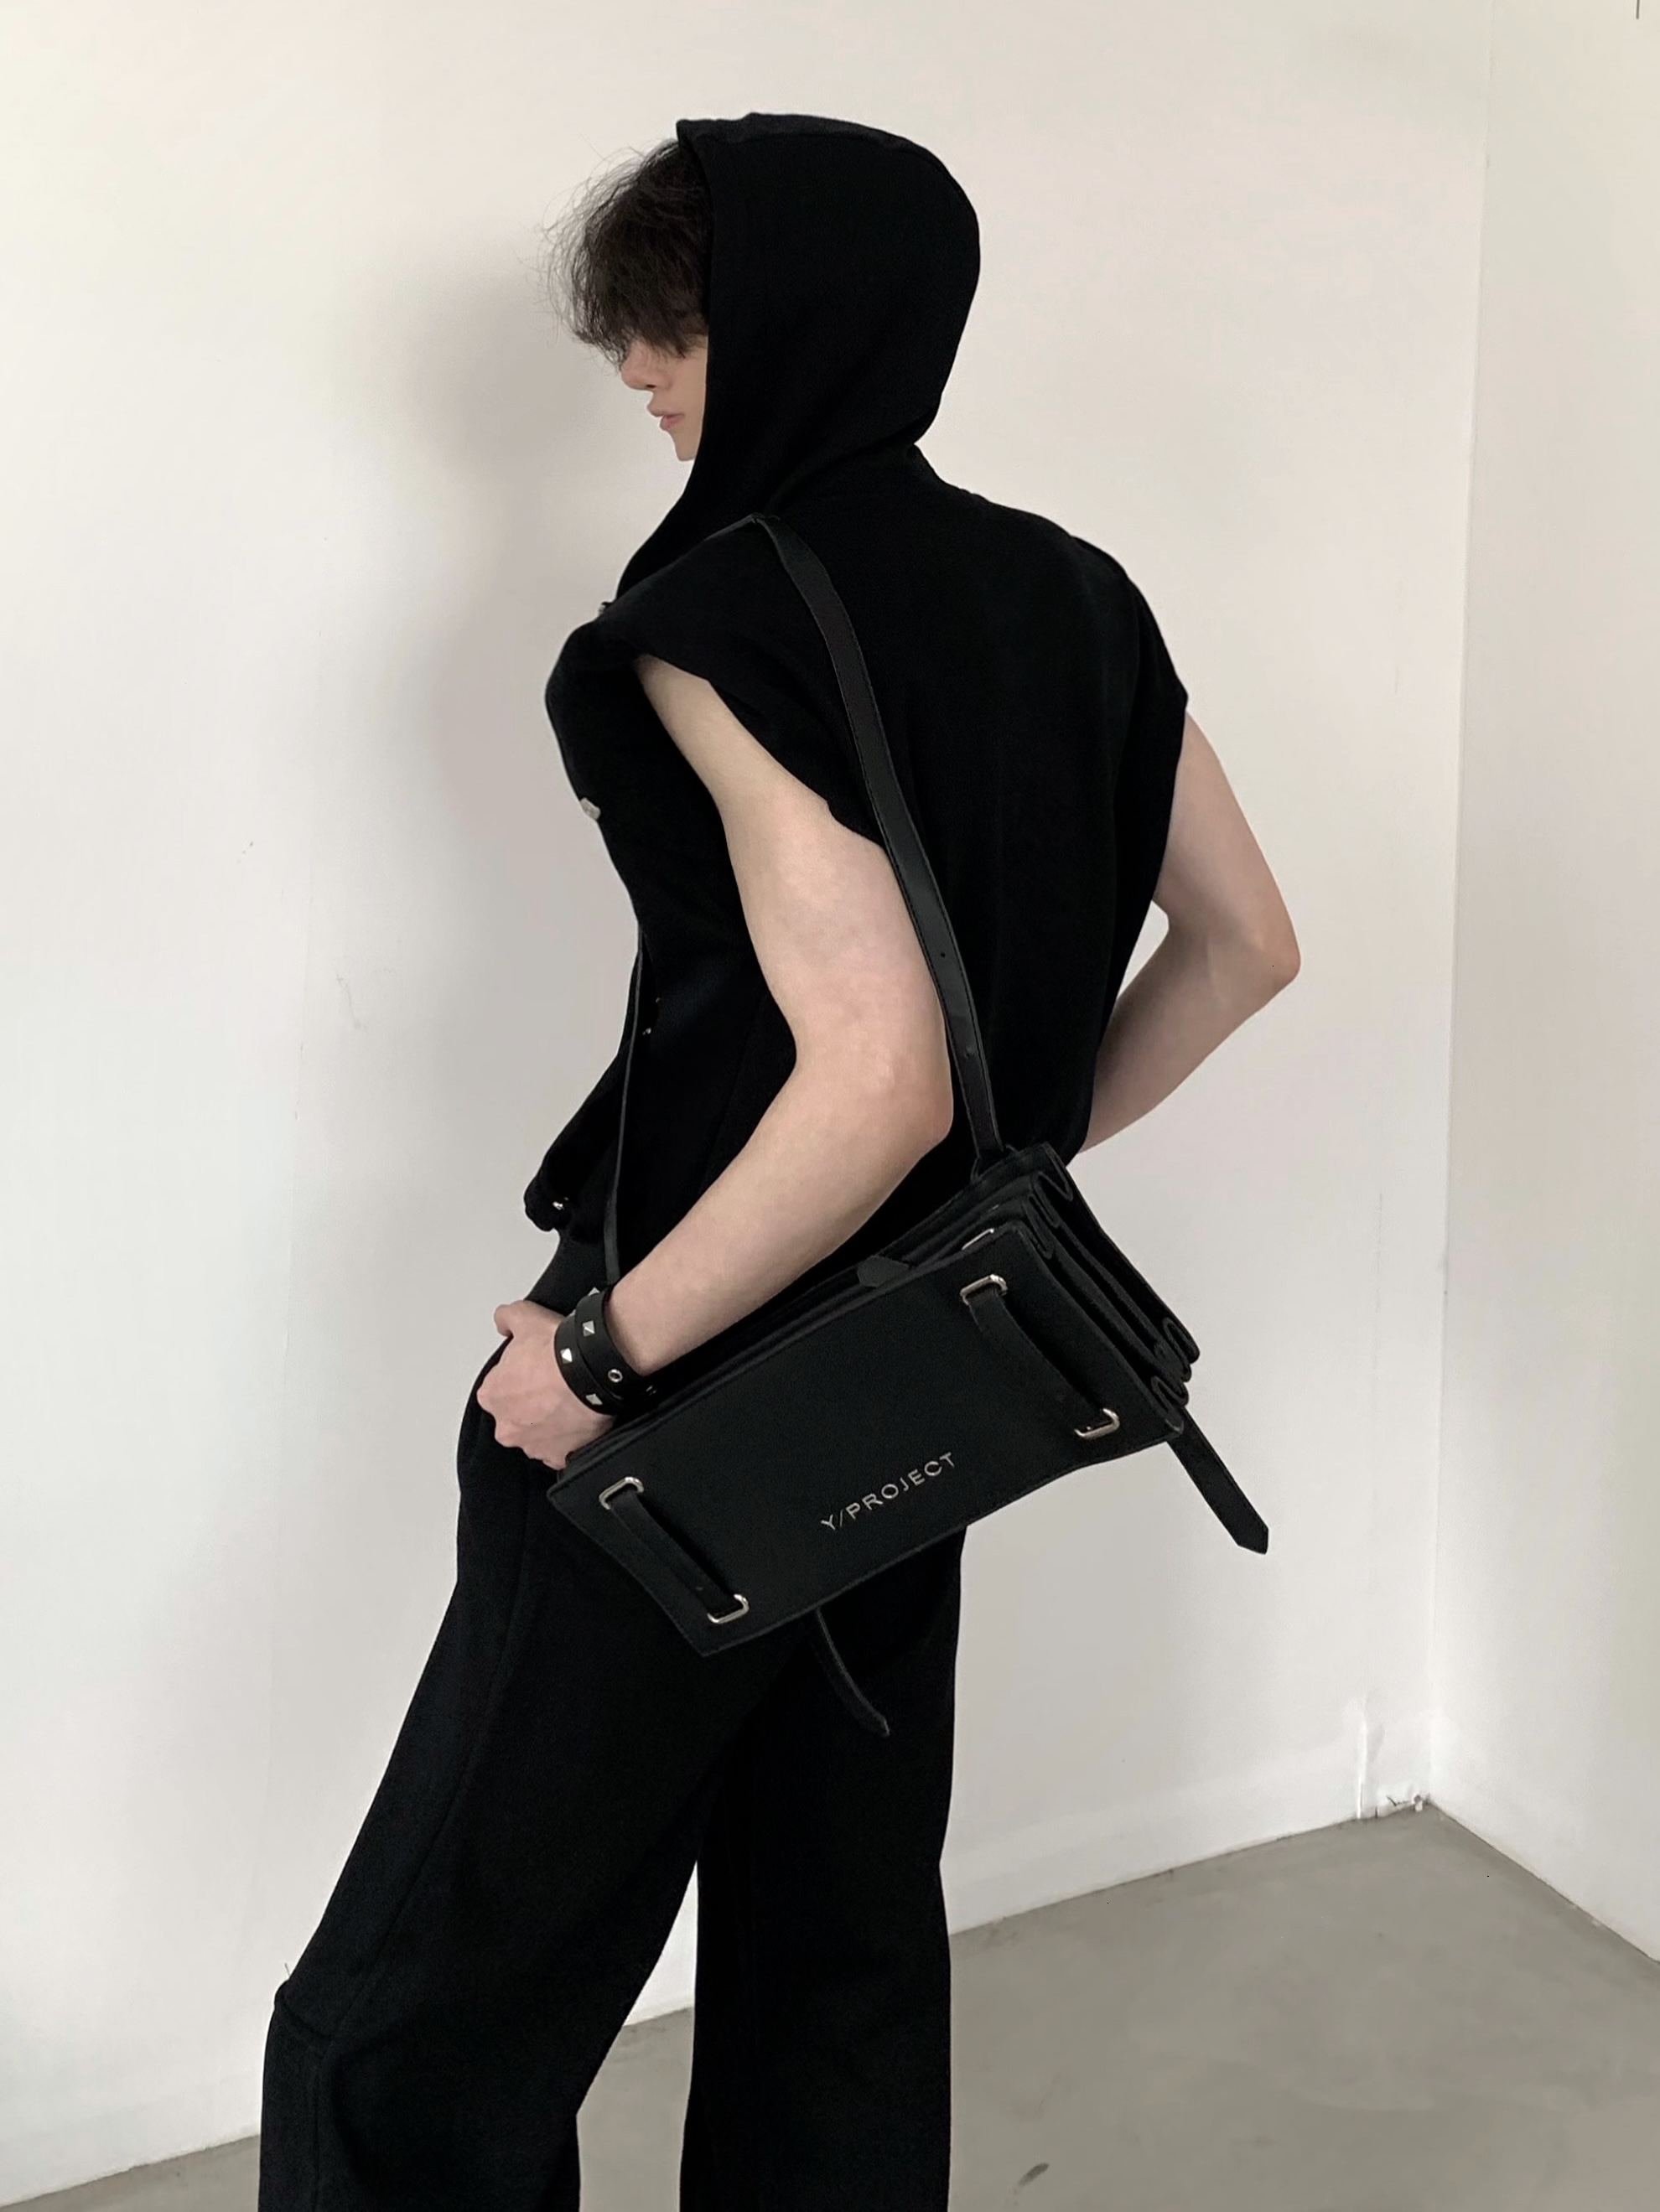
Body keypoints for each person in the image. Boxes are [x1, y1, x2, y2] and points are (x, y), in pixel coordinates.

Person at [257, 111, 1298, 2212]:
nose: (639, 371)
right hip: (922, 1373)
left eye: (676, 322)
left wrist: (601, 1358)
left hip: (684, 1377)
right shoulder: (1082, 598)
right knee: (836, 1952)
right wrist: (988, 1196)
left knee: (407, 2023)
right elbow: (1247, 946)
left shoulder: (717, 615)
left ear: (810, 320)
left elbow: (875, 1075)